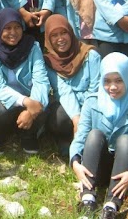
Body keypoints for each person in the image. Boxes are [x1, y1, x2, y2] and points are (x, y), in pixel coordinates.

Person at [69, 52, 128, 218]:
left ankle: (112, 205)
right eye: (107, 81)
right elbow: (80, 137)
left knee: (125, 141)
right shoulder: (92, 101)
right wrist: (75, 162)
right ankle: (87, 198)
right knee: (93, 135)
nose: (112, 87)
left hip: (126, 172)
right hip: (98, 167)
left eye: (119, 80)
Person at [0, 8, 49, 154]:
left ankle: (28, 135)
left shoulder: (32, 47)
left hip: (28, 101)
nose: (13, 32)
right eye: (7, 28)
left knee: (43, 99)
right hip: (2, 102)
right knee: (1, 108)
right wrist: (26, 102)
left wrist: (32, 109)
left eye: (17, 27)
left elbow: (41, 80)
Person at [43, 14, 101, 157]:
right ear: (48, 40)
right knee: (59, 116)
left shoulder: (90, 55)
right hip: (67, 105)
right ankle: (64, 139)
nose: (60, 39)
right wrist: (76, 119)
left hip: (90, 103)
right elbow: (63, 91)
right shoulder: (49, 62)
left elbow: (95, 88)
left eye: (64, 33)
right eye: (54, 36)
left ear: (70, 32)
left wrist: (84, 117)